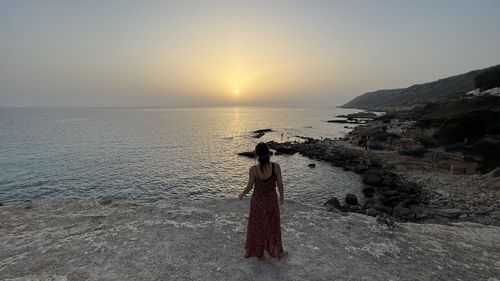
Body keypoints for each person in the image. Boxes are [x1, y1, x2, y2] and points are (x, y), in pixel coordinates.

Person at [239, 142, 287, 259]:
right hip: (271, 201)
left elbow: (250, 186)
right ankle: (275, 250)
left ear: (257, 154)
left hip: (257, 202)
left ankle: (259, 253)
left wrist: (242, 194)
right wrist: (282, 196)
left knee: (257, 226)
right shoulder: (276, 167)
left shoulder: (253, 169)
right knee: (272, 226)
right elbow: (280, 184)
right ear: (268, 152)